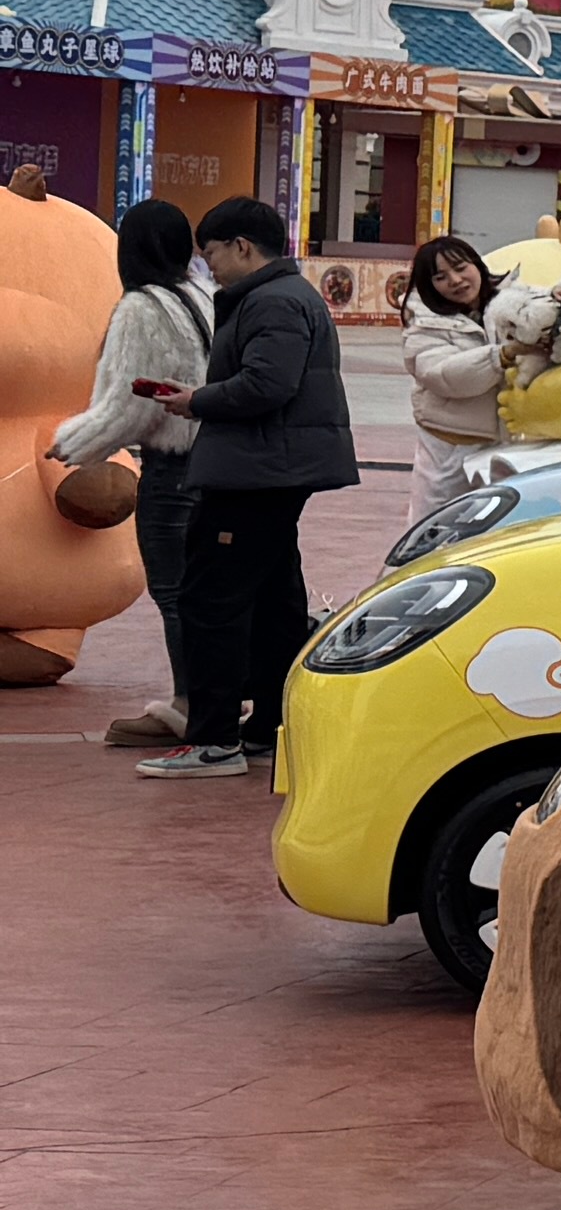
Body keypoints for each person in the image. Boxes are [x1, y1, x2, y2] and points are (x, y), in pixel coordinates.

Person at [134, 195, 354, 776]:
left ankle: (213, 739)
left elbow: (267, 384)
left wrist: (195, 401)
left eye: (211, 255)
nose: (210, 269)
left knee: (211, 599)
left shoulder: (273, 300)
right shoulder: (282, 295)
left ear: (241, 247)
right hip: (272, 469)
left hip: (256, 471)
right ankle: (267, 728)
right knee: (273, 600)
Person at [47, 199, 209, 753]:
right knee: (210, 589)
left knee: (176, 592)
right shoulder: (203, 296)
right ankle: (218, 697)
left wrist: (69, 445)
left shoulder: (141, 307)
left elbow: (130, 404)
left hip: (172, 469)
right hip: (215, 463)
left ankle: (191, 706)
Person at [394, 235, 507, 499]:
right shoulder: (423, 327)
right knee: (438, 531)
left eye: (460, 268)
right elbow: (446, 376)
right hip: (448, 450)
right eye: (440, 277)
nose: (455, 280)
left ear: (477, 265)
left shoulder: (512, 305)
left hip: (505, 445)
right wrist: (500, 357)